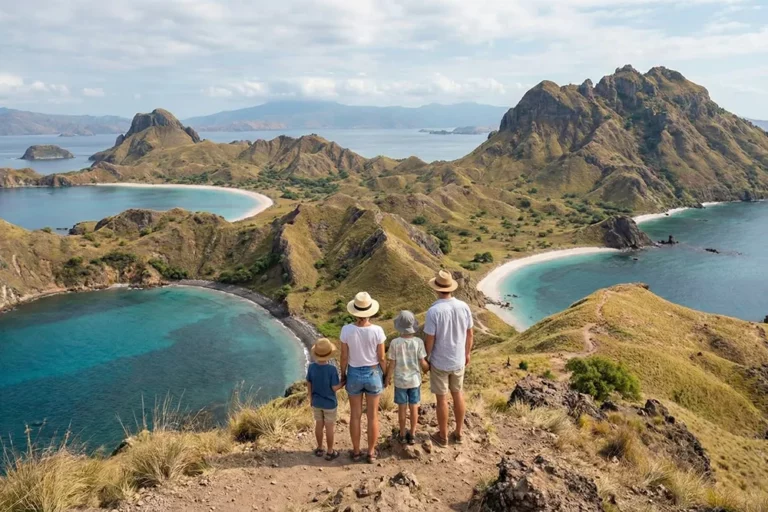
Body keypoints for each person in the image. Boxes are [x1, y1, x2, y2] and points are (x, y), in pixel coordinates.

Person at [424, 270, 474, 447]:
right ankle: (459, 433)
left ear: (436, 289)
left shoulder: (433, 311)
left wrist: (426, 357)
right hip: (458, 359)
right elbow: (470, 334)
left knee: (441, 399)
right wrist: (467, 353)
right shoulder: (464, 307)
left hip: (439, 361)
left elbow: (430, 339)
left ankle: (443, 436)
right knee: (458, 394)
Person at [340, 291, 387, 463]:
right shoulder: (378, 331)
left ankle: (356, 451)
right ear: (370, 311)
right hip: (373, 373)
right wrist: (386, 374)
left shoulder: (346, 330)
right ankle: (371, 452)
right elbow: (381, 357)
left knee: (355, 415)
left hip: (353, 373)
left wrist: (342, 374)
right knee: (373, 415)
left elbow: (344, 356)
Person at [385, 310, 429, 445]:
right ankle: (413, 433)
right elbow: (422, 362)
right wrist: (428, 369)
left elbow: (392, 364)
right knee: (414, 407)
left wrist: (387, 378)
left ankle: (403, 433)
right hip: (414, 380)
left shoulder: (395, 343)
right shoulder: (418, 342)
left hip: (400, 381)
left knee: (402, 408)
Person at [306, 338, 344, 461]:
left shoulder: (311, 367)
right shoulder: (332, 370)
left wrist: (310, 397)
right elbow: (334, 388)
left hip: (316, 402)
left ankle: (319, 448)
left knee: (318, 425)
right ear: (329, 354)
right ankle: (330, 451)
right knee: (329, 427)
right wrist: (343, 383)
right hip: (330, 404)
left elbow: (309, 383)